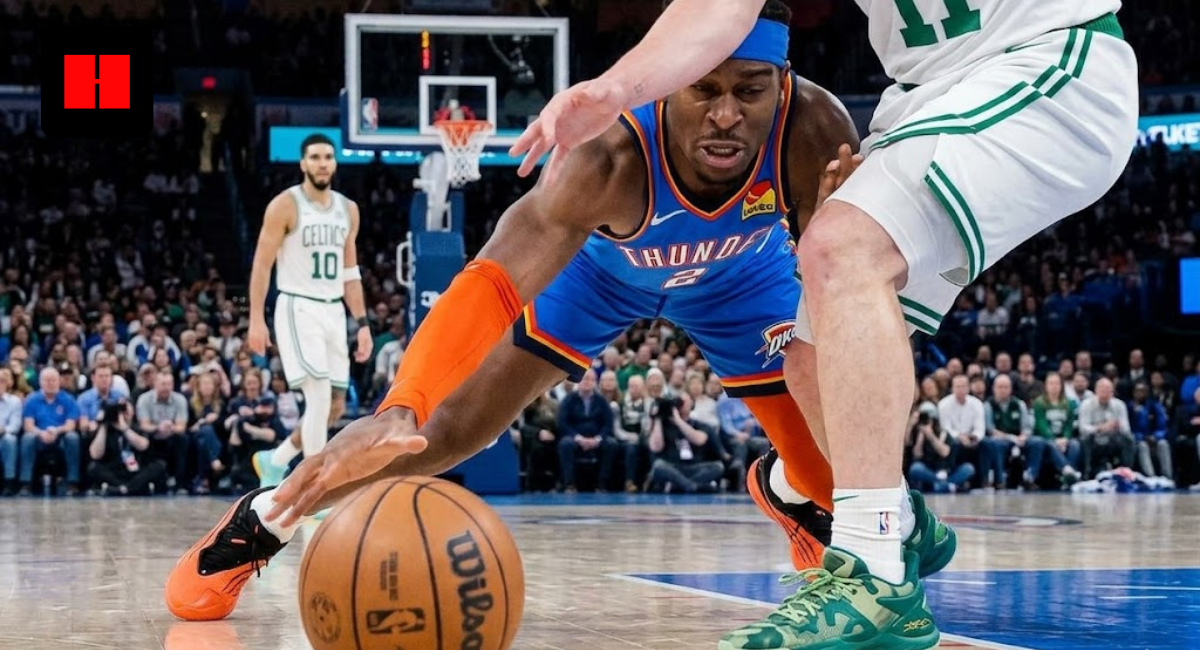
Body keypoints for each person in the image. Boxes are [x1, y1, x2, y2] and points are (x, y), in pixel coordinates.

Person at [164, 1, 952, 622]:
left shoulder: (814, 128)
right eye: (704, 89)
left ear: (778, 88)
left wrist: (822, 232)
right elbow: (494, 279)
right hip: (600, 279)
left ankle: (787, 486)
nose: (724, 114)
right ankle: (261, 523)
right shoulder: (607, 157)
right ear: (667, 85)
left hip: (741, 283)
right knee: (440, 434)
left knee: (837, 466)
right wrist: (400, 402)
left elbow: (843, 297)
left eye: (748, 91)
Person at [516, 0, 1136, 647]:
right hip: (924, 99)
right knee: (806, 363)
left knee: (841, 247)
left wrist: (614, 87)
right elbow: (721, 10)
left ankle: (872, 575)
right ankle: (893, 517)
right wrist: (616, 91)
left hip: (1043, 59)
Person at [244, 133, 372, 488]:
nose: (322, 163)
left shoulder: (348, 210)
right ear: (303, 163)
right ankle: (313, 488)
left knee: (334, 405)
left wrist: (362, 324)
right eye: (314, 157)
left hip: (334, 311)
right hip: (298, 307)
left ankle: (275, 460)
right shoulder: (285, 205)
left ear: (335, 163)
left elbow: (350, 273)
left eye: (328, 157)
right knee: (316, 397)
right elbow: (261, 265)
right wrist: (256, 318)